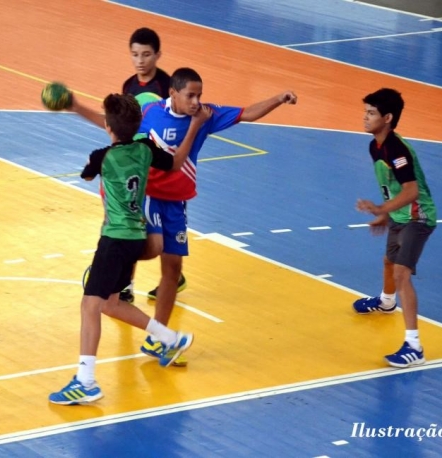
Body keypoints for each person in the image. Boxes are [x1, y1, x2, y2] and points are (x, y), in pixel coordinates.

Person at [48, 94, 209, 405]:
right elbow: (176, 163)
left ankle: (86, 381)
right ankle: (171, 338)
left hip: (114, 239)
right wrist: (192, 129)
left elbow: (86, 174)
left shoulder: (101, 156)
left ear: (108, 126)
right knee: (109, 304)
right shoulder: (146, 149)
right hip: (137, 236)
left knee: (90, 306)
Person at [136, 67, 297, 365]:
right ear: (173, 93)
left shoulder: (206, 116)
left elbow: (246, 113)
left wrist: (278, 98)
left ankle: (158, 339)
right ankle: (109, 265)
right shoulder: (150, 111)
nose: (197, 101)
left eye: (200, 95)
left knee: (172, 270)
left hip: (177, 203)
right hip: (150, 197)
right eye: (191, 95)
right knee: (146, 248)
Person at [353, 88, 436, 368]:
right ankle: (387, 302)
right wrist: (386, 216)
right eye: (365, 111)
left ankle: (414, 347)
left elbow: (412, 192)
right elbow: (393, 187)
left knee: (402, 273)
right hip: (399, 215)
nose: (365, 117)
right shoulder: (375, 145)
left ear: (387, 117)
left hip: (418, 216)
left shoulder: (397, 149)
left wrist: (381, 209)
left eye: (371, 113)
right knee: (389, 261)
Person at [119, 27, 186, 304]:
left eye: (146, 55)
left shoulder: (167, 86)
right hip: (138, 164)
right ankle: (126, 284)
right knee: (132, 221)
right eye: (135, 54)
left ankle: (173, 277)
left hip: (162, 166)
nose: (140, 61)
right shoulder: (128, 85)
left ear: (157, 55)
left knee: (160, 227)